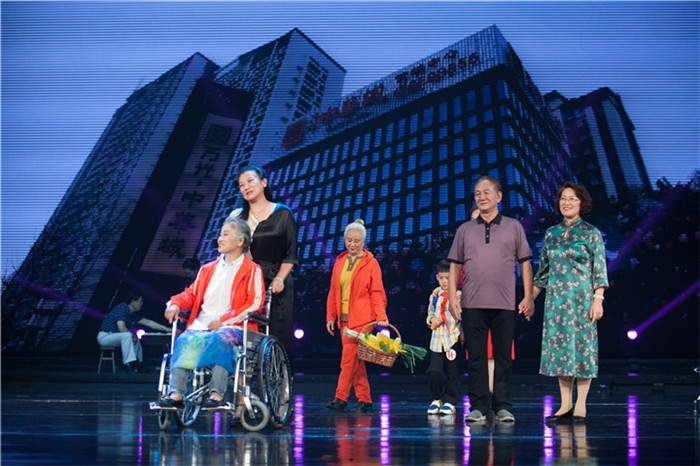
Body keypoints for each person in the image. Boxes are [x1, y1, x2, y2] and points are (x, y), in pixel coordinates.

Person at [447, 175, 534, 423]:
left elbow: (525, 263)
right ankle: (478, 406)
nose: (482, 197)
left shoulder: (513, 226)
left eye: (486, 192)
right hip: (472, 303)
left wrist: (528, 296)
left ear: (499, 196)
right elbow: (455, 265)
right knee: (476, 358)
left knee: (503, 357)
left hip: (504, 303)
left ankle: (503, 406)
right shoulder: (465, 230)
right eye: (477, 193)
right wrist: (453, 297)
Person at [159, 217, 265, 408]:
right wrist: (175, 303)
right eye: (220, 234)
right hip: (202, 325)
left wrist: (223, 321)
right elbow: (191, 294)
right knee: (183, 340)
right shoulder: (207, 269)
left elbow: (254, 303)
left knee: (220, 337)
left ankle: (216, 392)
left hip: (234, 327)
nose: (220, 239)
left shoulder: (251, 270)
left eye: (225, 235)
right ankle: (177, 393)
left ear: (240, 241)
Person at [531, 182, 608, 424]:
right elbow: (542, 273)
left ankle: (581, 405)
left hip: (582, 302)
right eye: (563, 198)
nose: (567, 202)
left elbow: (599, 271)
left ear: (581, 203)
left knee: (582, 351)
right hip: (556, 303)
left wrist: (598, 300)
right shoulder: (551, 234)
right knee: (561, 352)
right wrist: (528, 299)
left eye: (572, 198)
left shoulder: (591, 233)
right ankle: (565, 405)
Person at [230, 166, 298, 361]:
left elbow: (291, 254)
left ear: (264, 182)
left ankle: (278, 375)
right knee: (245, 334)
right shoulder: (237, 217)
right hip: (247, 282)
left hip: (276, 282)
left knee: (277, 334)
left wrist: (279, 278)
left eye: (250, 181)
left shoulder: (282, 213)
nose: (246, 187)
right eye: (241, 185)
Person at [325, 220, 389, 413]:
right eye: (349, 240)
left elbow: (377, 292)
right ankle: (365, 399)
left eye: (357, 241)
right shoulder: (340, 261)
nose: (352, 244)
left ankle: (340, 397)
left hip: (363, 318)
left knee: (348, 358)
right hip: (344, 319)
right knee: (356, 360)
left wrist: (381, 315)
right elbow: (333, 292)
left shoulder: (371, 263)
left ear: (363, 242)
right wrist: (330, 316)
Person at [97, 290, 170, 372]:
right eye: (140, 301)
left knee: (135, 338)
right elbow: (121, 328)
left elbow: (148, 322)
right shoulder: (121, 308)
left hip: (115, 336)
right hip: (105, 336)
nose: (142, 303)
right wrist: (133, 335)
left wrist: (166, 329)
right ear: (132, 302)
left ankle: (138, 363)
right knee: (128, 335)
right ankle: (129, 363)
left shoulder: (133, 313)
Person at [426, 259, 461, 416]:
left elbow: (462, 316)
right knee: (434, 371)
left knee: (452, 371)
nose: (445, 281)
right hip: (436, 340)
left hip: (452, 338)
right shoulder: (435, 295)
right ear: (437, 277)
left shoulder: (459, 295)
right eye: (441, 278)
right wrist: (432, 320)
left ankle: (450, 401)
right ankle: (436, 399)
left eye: (448, 278)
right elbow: (429, 314)